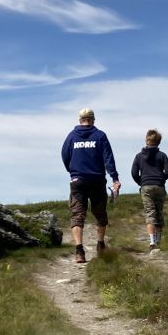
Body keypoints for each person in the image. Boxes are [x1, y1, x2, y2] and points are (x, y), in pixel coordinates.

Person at [60, 107, 120, 263]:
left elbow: (65, 155)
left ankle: (79, 251)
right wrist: (114, 178)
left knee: (77, 216)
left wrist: (73, 171)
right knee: (100, 214)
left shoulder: (71, 137)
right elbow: (108, 158)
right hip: (97, 180)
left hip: (77, 181)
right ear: (93, 120)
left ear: (80, 120)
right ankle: (100, 244)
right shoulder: (100, 136)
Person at [131, 129, 168, 249]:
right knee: (159, 213)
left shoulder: (139, 156)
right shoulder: (162, 155)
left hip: (146, 186)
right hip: (159, 186)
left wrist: (142, 182)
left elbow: (134, 173)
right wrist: (161, 179)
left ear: (146, 140)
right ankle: (158, 241)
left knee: (150, 213)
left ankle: (152, 241)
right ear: (159, 142)